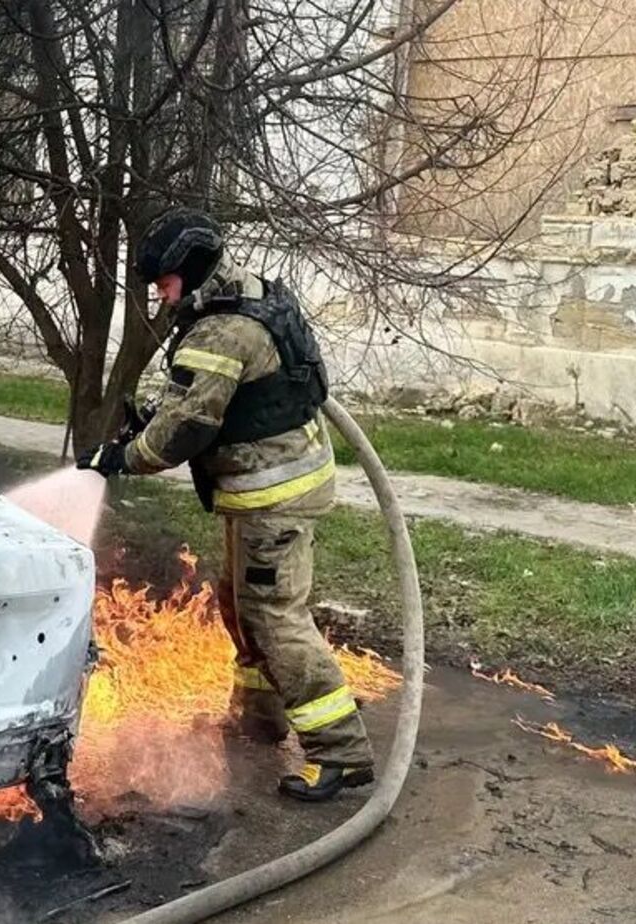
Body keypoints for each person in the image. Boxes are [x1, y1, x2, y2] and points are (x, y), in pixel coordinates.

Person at [77, 207, 374, 802]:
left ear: (188, 269)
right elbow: (205, 401)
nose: (159, 296)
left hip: (276, 497)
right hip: (265, 489)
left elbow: (186, 428)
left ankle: (341, 751)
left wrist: (122, 457)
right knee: (241, 606)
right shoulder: (244, 297)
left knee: (275, 616)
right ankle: (259, 718)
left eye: (163, 283)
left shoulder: (221, 331)